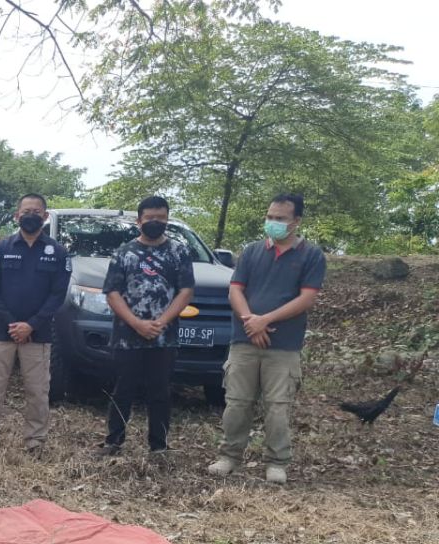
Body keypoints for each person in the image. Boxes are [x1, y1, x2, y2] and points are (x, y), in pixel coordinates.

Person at [208, 193, 325, 485]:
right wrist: (251, 320)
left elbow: (307, 298)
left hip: (283, 346)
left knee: (277, 406)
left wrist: (266, 320)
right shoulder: (251, 252)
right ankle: (229, 456)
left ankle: (276, 461)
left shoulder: (311, 256)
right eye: (270, 216)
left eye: (280, 218)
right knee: (237, 402)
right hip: (244, 341)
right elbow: (235, 290)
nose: (272, 222)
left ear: (296, 221)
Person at [94, 196, 195, 457]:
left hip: (165, 336)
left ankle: (158, 446)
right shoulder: (124, 252)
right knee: (123, 388)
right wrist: (137, 323)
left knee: (160, 390)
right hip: (128, 335)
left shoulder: (178, 251)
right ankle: (113, 441)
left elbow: (185, 291)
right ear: (139, 220)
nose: (155, 223)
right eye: (150, 218)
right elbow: (112, 293)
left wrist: (161, 322)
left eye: (161, 218)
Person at [0, 194, 71, 453]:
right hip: (1, 331)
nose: (31, 215)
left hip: (38, 334)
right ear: (16, 216)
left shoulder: (58, 253)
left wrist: (32, 325)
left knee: (38, 390)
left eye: (37, 212)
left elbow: (58, 295)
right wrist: (14, 324)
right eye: (26, 211)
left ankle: (35, 440)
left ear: (45, 217)